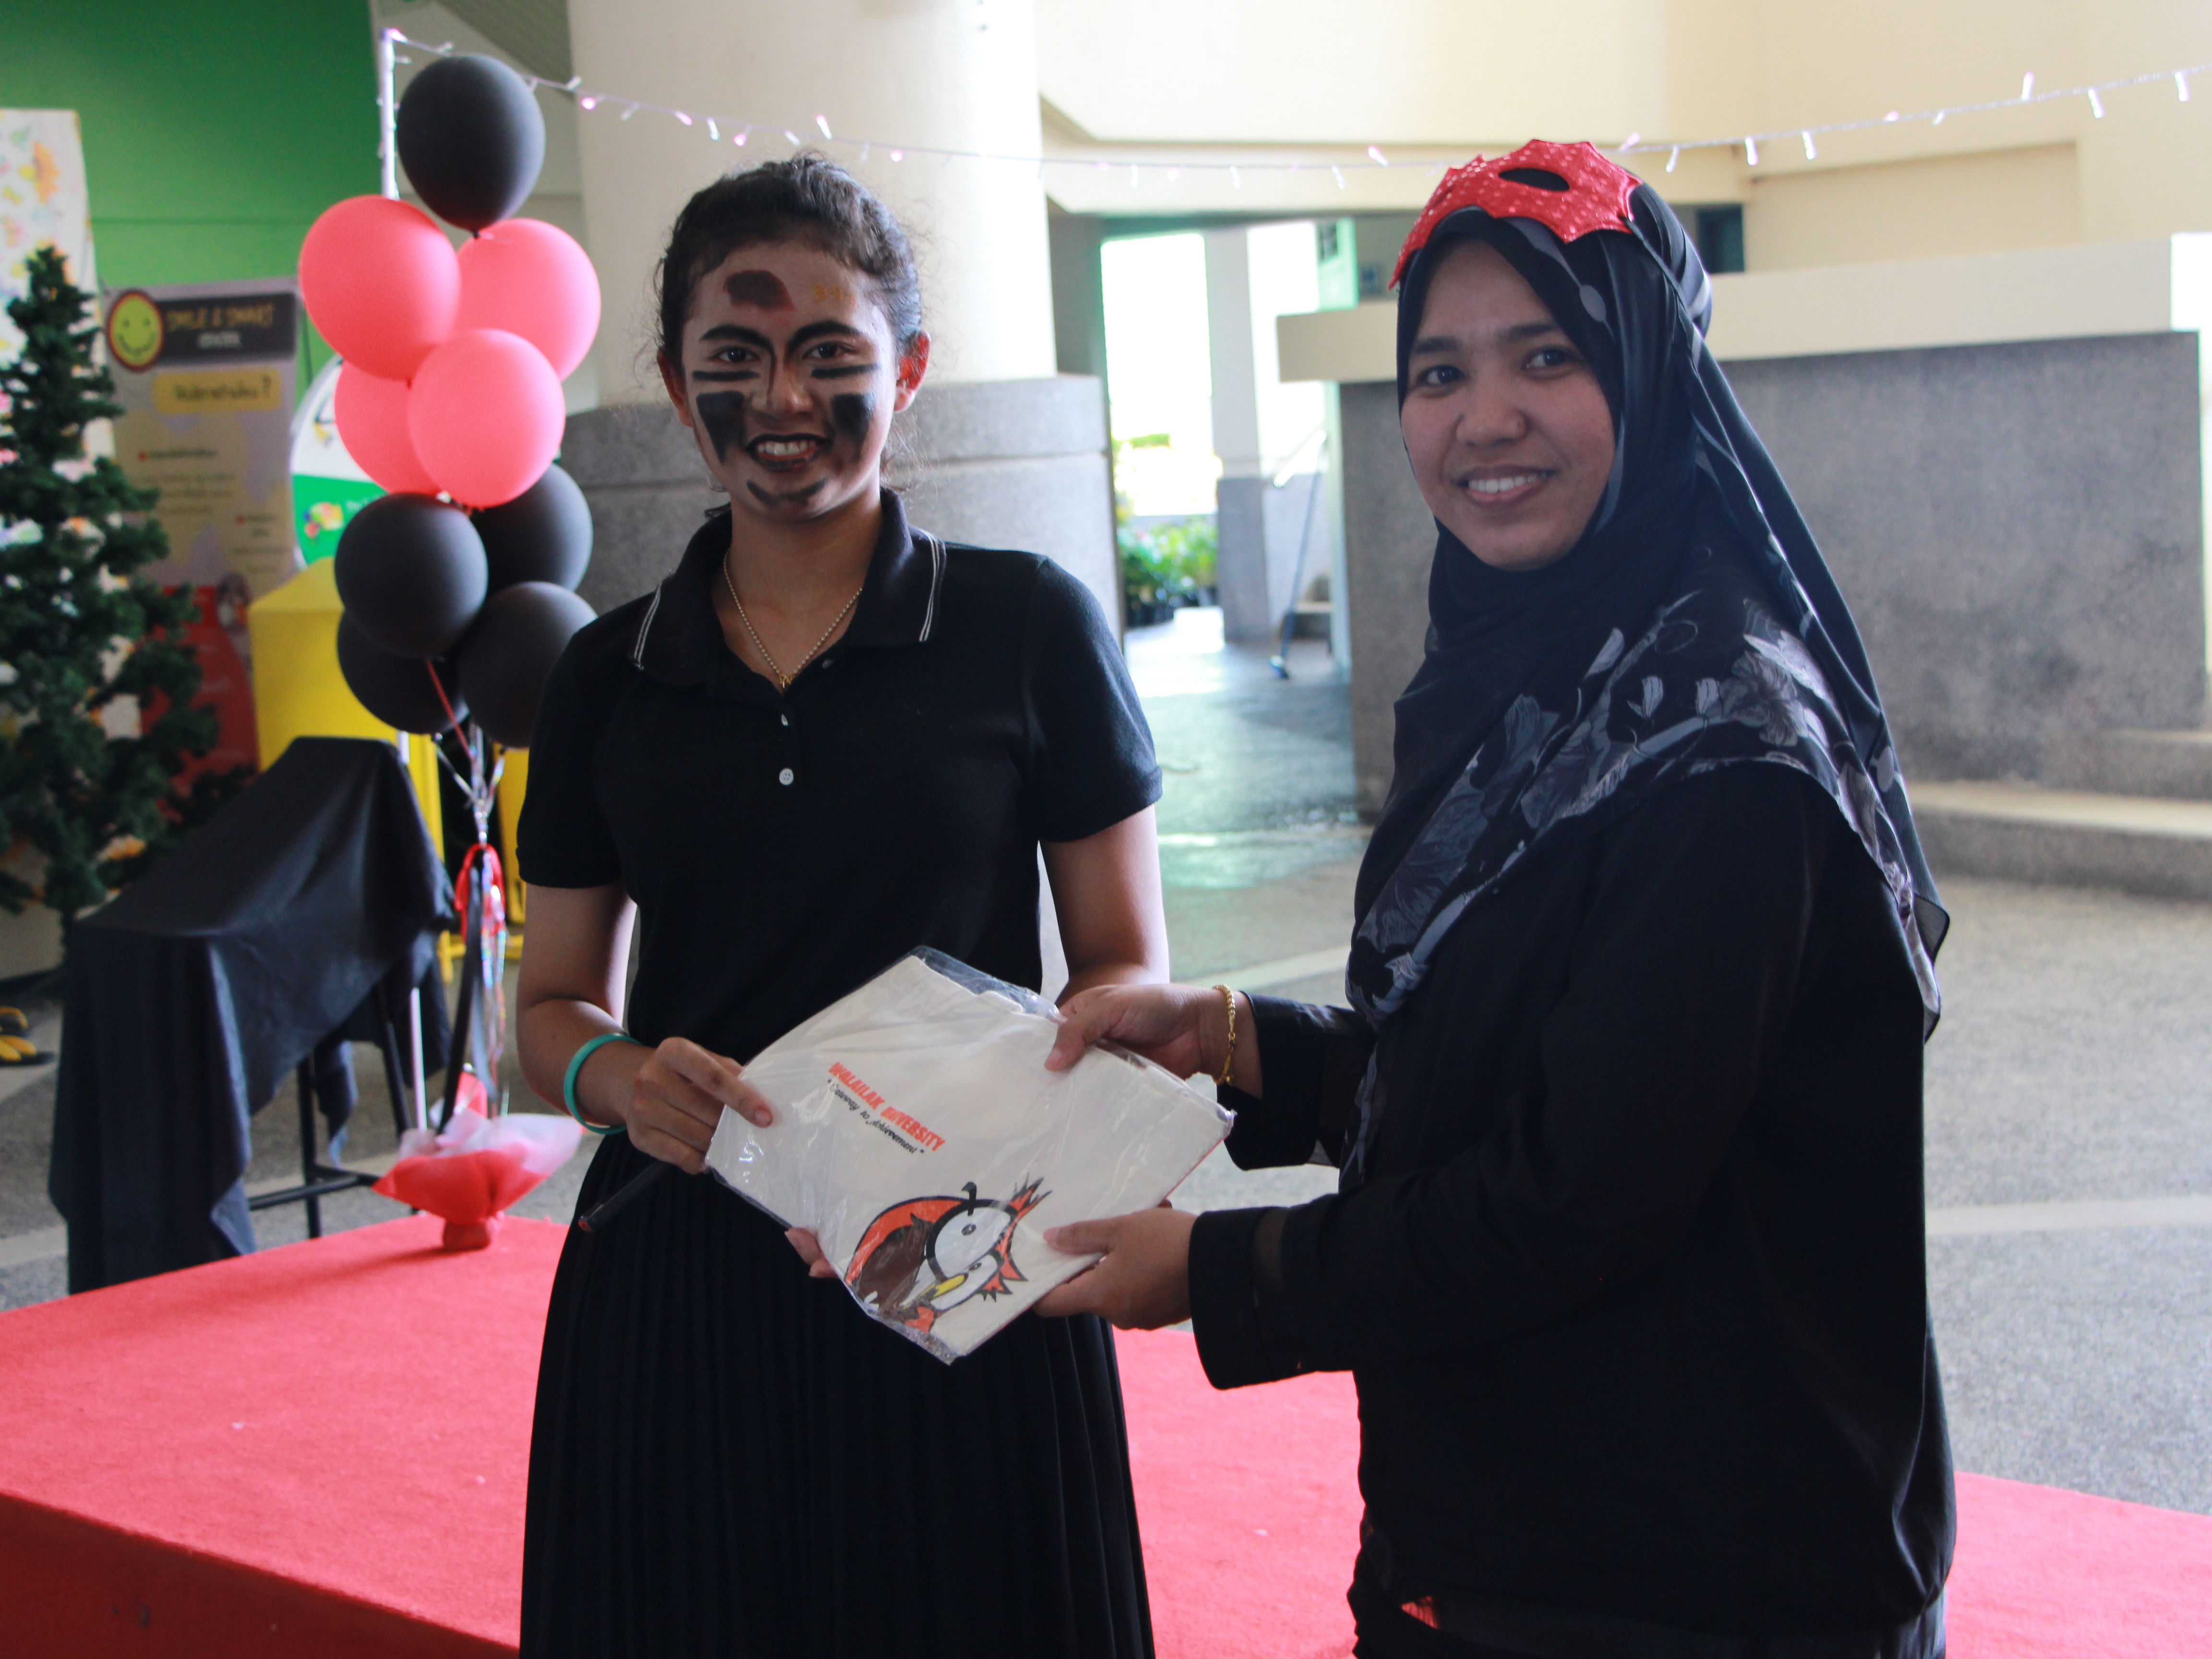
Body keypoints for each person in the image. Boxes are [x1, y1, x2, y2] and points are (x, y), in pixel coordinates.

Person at [1036, 141, 1955, 1659]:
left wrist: (1215, 1273)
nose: (1484, 419)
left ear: (1649, 371)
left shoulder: (1724, 751)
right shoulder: (1531, 668)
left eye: (1547, 357)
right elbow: (1506, 1061)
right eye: (1439, 372)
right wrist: (1233, 1038)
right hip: (1515, 1519)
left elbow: (1573, 1194)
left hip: (1702, 1568)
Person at [513, 156, 1167, 1658]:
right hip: (683, 1282)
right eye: (734, 357)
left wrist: (992, 1140)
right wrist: (619, 1076)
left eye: (829, 353)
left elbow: (1124, 970)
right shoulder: (607, 674)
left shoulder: (1027, 627)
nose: (783, 399)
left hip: (961, 1265)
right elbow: (546, 1012)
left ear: (909, 370)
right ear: (674, 387)